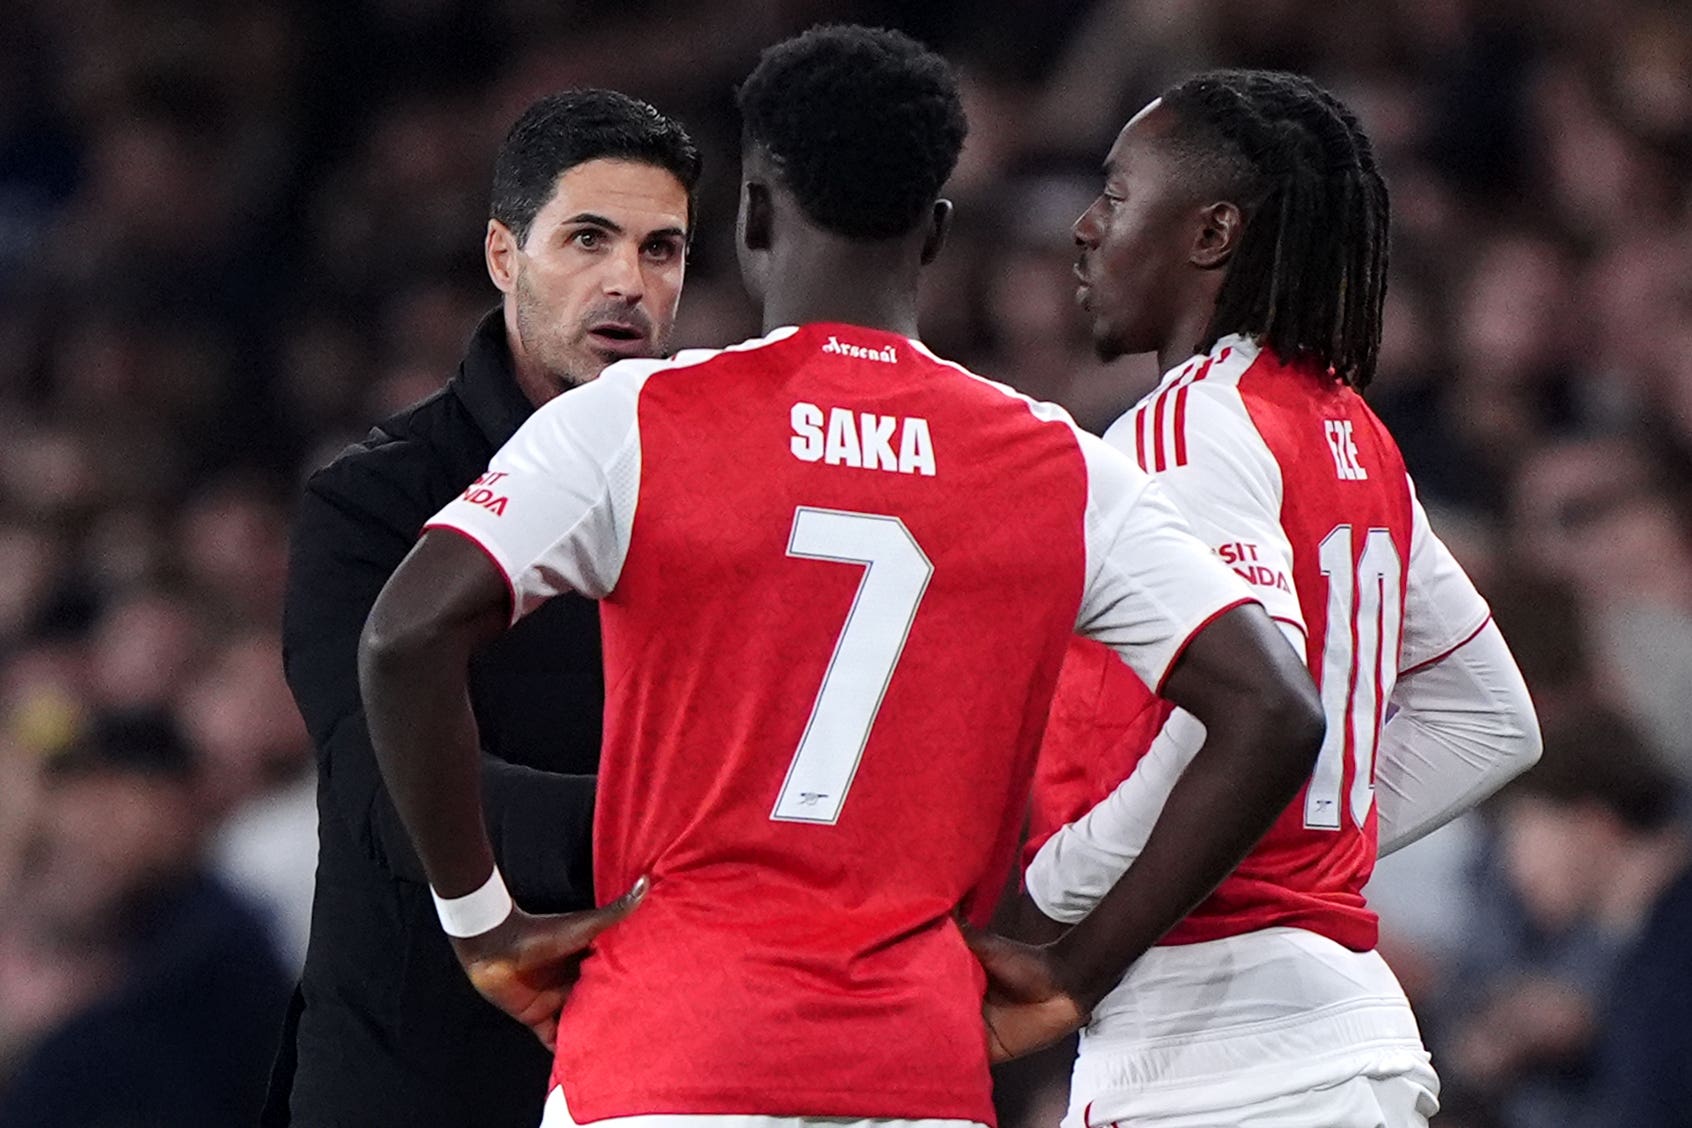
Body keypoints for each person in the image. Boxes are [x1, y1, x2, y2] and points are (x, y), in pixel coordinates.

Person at [358, 26, 1326, 1128]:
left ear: (755, 215)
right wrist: (1078, 971)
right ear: (937, 234)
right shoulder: (1063, 469)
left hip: (667, 1055)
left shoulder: (632, 425)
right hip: (913, 1067)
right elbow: (1275, 712)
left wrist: (482, 921)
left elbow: (404, 637)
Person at [1015, 71, 1544, 1128]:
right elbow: (1491, 718)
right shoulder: (1348, 433)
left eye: (1117, 197)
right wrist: (1296, 846)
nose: (1084, 227)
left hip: (1214, 1057)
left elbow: (1258, 707)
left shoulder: (1184, 430)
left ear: (1211, 232)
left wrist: (1059, 888)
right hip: (1347, 1042)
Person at [267, 89, 699, 1128]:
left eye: (661, 250)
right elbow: (383, 784)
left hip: (666, 1067)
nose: (626, 284)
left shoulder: (727, 482)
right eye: (588, 239)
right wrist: (689, 834)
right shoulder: (372, 502)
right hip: (418, 1077)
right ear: (504, 255)